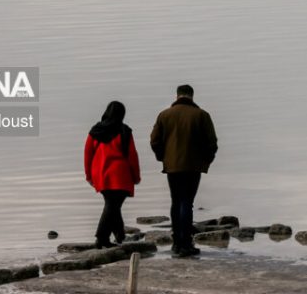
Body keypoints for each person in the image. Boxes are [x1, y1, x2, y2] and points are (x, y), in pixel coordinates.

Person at [150, 84, 218, 258]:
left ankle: (176, 242)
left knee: (176, 201)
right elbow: (212, 143)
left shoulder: (164, 115)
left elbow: (155, 141)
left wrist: (162, 158)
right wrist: (205, 161)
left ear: (177, 95)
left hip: (172, 166)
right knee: (187, 202)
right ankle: (186, 243)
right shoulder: (202, 115)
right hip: (193, 166)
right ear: (192, 96)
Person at [84, 101, 141, 249]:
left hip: (101, 174)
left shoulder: (96, 131)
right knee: (112, 205)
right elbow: (132, 156)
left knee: (113, 205)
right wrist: (136, 176)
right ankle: (101, 238)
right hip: (120, 175)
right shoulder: (125, 131)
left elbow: (88, 154)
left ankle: (120, 236)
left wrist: (89, 175)